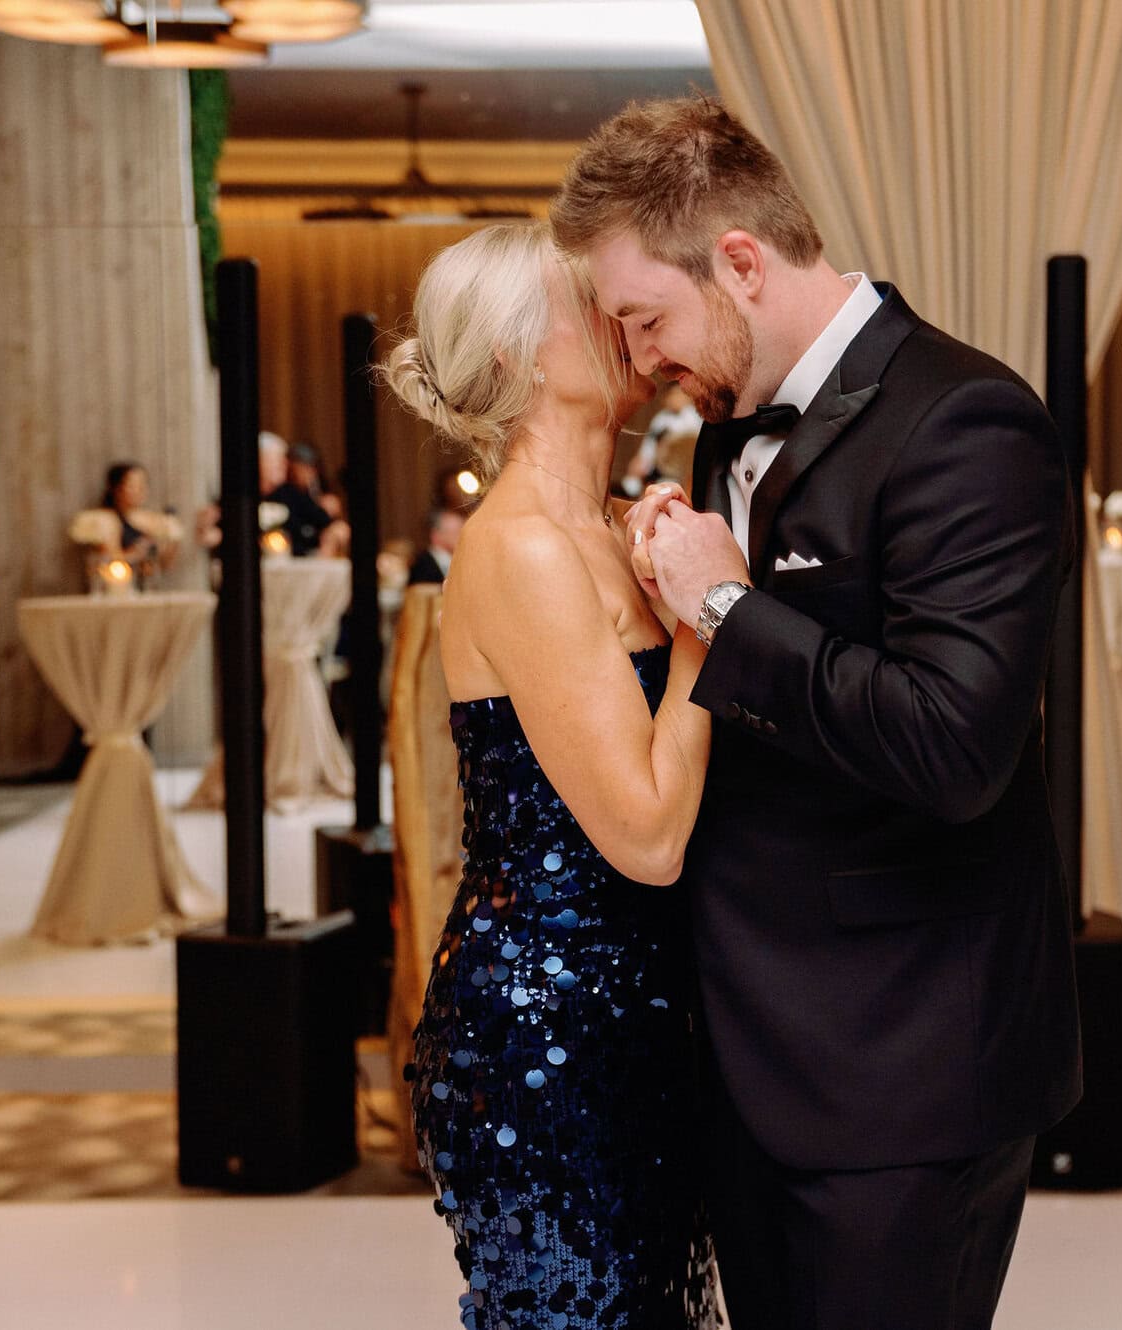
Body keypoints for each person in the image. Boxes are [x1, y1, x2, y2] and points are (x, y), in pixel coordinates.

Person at [556, 96, 1081, 1330]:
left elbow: (954, 747)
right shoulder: (724, 424)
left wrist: (730, 614)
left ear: (737, 262)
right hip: (751, 1049)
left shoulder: (968, 422)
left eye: (646, 320)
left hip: (906, 1064)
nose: (640, 364)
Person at [385, 223, 721, 1330]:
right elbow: (648, 836)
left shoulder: (603, 526)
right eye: (588, 303)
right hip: (547, 1036)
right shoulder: (522, 544)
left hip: (633, 1019)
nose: (624, 318)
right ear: (528, 355)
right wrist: (710, 623)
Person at [68, 462, 184, 585]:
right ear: (117, 489)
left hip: (148, 587)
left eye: (143, 485)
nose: (140, 490)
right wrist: (136, 552)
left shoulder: (151, 520)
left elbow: (163, 566)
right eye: (133, 485)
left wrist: (173, 540)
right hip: (116, 589)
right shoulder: (104, 520)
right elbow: (108, 561)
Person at [406, 508, 463, 586]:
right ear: (436, 535)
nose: (462, 537)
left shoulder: (463, 560)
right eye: (456, 532)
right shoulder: (420, 565)